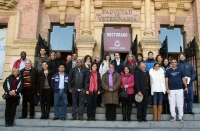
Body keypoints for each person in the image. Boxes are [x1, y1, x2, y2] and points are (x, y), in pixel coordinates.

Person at [165, 58, 188, 122]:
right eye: (172, 62)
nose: (174, 63)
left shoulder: (180, 70)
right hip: (171, 90)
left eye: (175, 62)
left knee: (180, 104)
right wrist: (167, 88)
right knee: (172, 104)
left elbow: (183, 79)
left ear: (176, 63)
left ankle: (181, 117)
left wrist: (186, 86)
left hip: (179, 89)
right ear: (171, 63)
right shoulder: (168, 71)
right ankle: (173, 117)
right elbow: (166, 80)